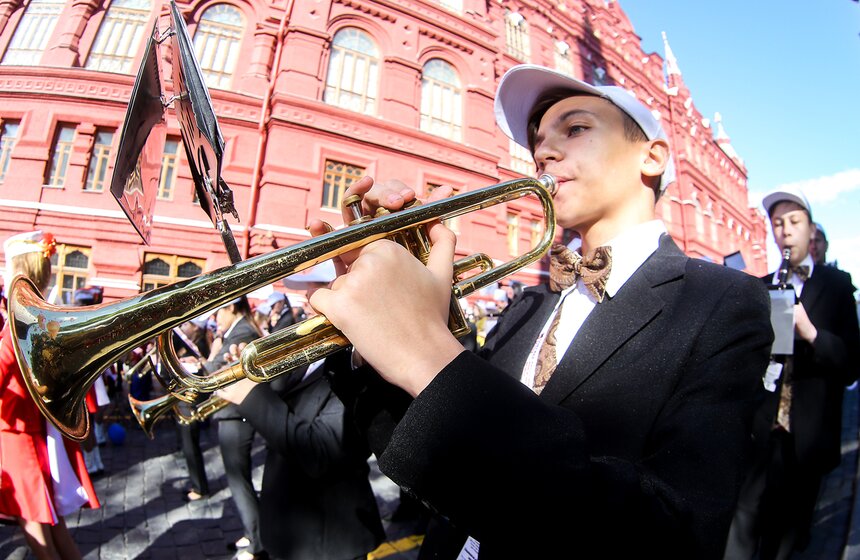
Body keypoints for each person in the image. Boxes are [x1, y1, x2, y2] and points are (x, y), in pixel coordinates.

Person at [308, 64, 774, 558]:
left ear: (652, 156)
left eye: (575, 129)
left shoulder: (723, 301)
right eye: (538, 143)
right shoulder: (529, 303)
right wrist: (375, 333)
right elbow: (435, 452)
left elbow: (670, 533)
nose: (544, 152)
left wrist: (428, 355)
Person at [724, 186, 860, 559]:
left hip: (809, 431)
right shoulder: (762, 286)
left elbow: (850, 364)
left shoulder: (837, 286)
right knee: (744, 517)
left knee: (790, 530)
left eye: (794, 221)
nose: (784, 229)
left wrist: (811, 332)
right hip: (762, 426)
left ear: (811, 230)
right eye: (777, 222)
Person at [0, 231, 100, 560]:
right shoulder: (40, 316)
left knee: (40, 535)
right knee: (50, 527)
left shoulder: (21, 320)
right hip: (29, 432)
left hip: (16, 436)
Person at [207, 297, 267, 560]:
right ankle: (252, 532)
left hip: (235, 413)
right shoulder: (238, 328)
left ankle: (257, 544)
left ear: (231, 307)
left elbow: (216, 369)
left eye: (218, 311)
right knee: (238, 478)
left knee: (238, 480)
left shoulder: (242, 330)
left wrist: (209, 356)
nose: (215, 318)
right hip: (233, 411)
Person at [173, 317, 212, 502]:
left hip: (191, 401)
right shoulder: (191, 343)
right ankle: (197, 484)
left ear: (196, 328)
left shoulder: (201, 344)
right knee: (188, 445)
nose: (184, 328)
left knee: (191, 445)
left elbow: (205, 370)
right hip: (186, 399)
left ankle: (199, 487)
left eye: (187, 324)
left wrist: (192, 362)